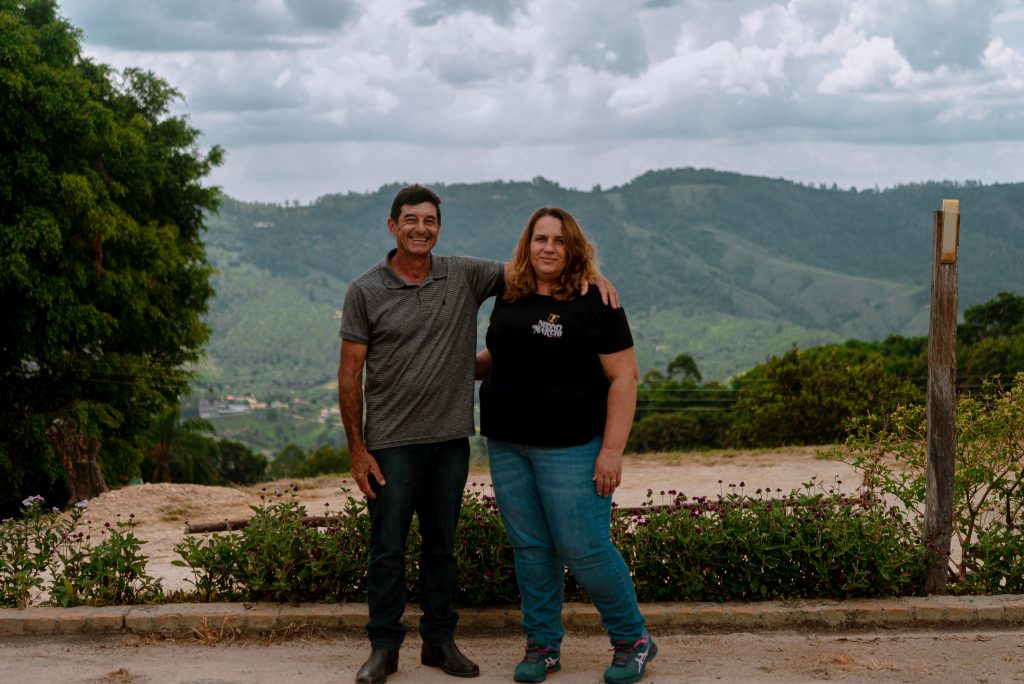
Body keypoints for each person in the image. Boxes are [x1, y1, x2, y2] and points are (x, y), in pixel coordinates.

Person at [338, 187, 617, 684]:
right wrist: (357, 450)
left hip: (450, 439)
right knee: (388, 549)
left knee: (441, 547)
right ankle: (384, 648)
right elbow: (348, 373)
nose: (420, 228)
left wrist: (589, 274)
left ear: (439, 228)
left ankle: (439, 643)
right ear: (392, 226)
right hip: (391, 442)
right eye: (410, 220)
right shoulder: (365, 290)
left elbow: (537, 266)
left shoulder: (464, 274)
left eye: (429, 220)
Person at [476, 207, 656, 684]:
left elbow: (624, 377)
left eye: (559, 240)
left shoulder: (595, 300)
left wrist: (611, 451)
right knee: (531, 548)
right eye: (541, 239)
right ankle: (542, 646)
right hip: (508, 443)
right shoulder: (512, 292)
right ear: (528, 244)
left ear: (573, 248)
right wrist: (460, 365)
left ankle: (633, 640)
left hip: (572, 447)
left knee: (586, 549)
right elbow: (505, 351)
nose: (549, 248)